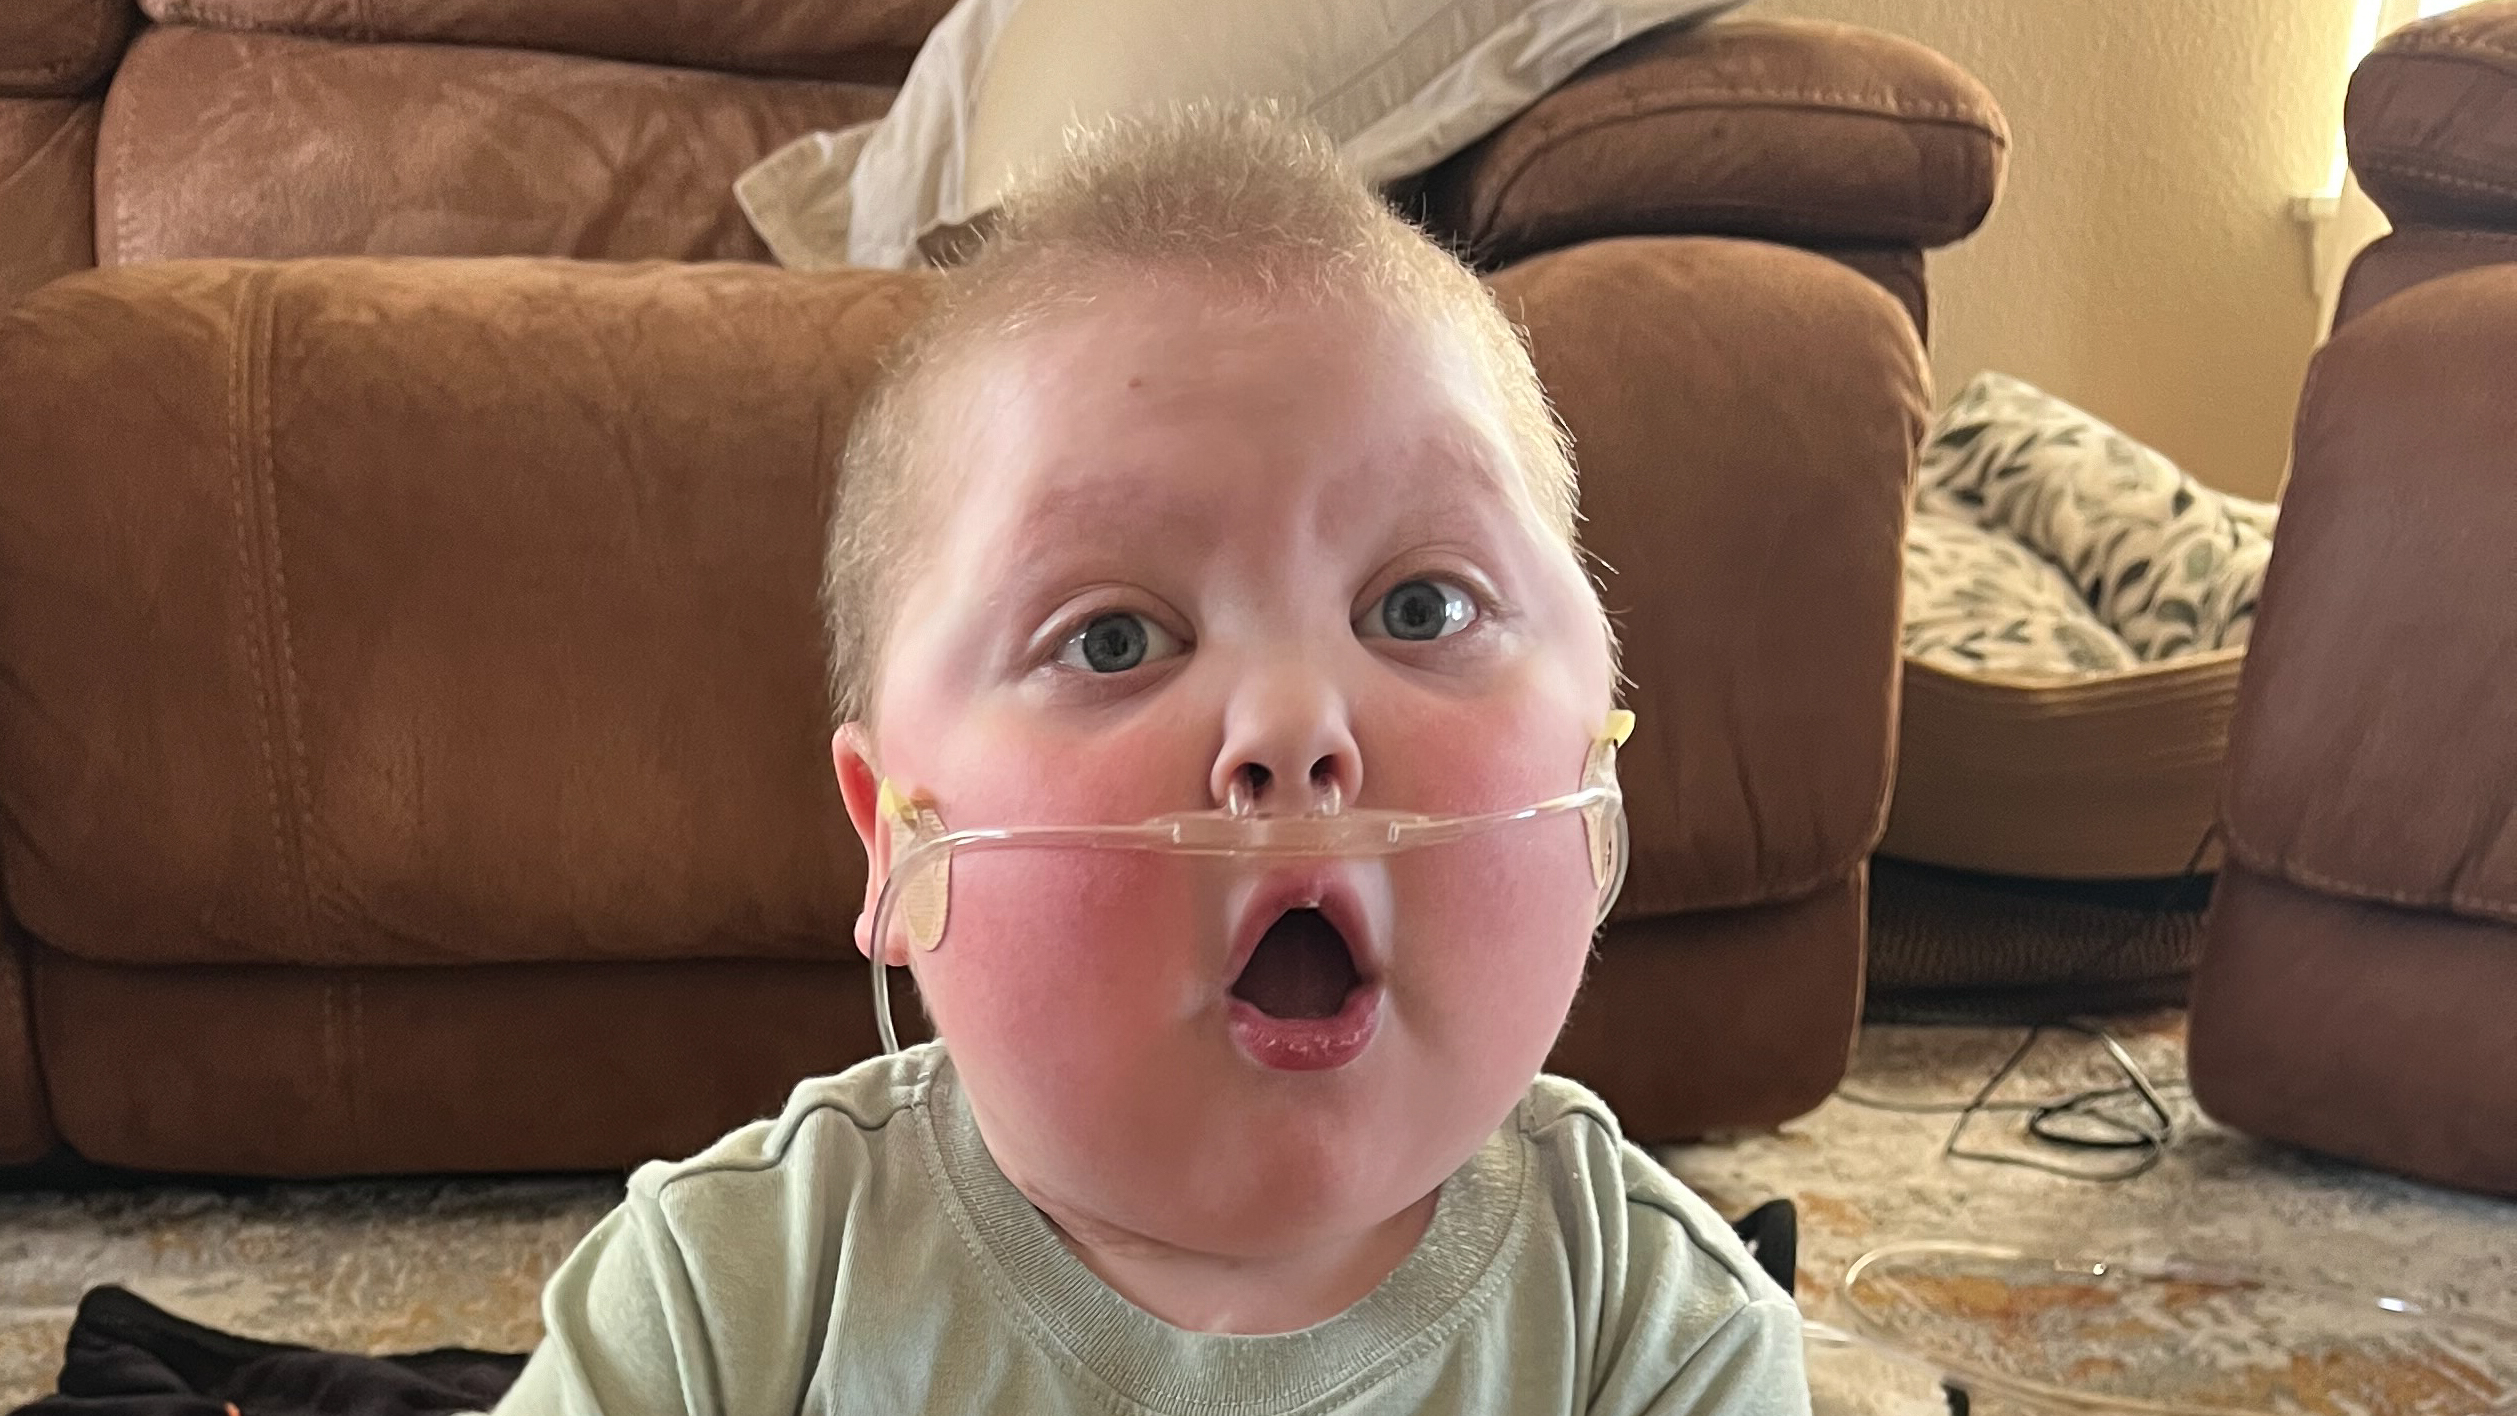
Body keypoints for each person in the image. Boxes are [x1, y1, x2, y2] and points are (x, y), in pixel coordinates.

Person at [491, 104, 1810, 1416]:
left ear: (1599, 756)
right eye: (1113, 638)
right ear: (895, 837)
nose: (1292, 730)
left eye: (1421, 609)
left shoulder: (1659, 1339)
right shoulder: (724, 1307)